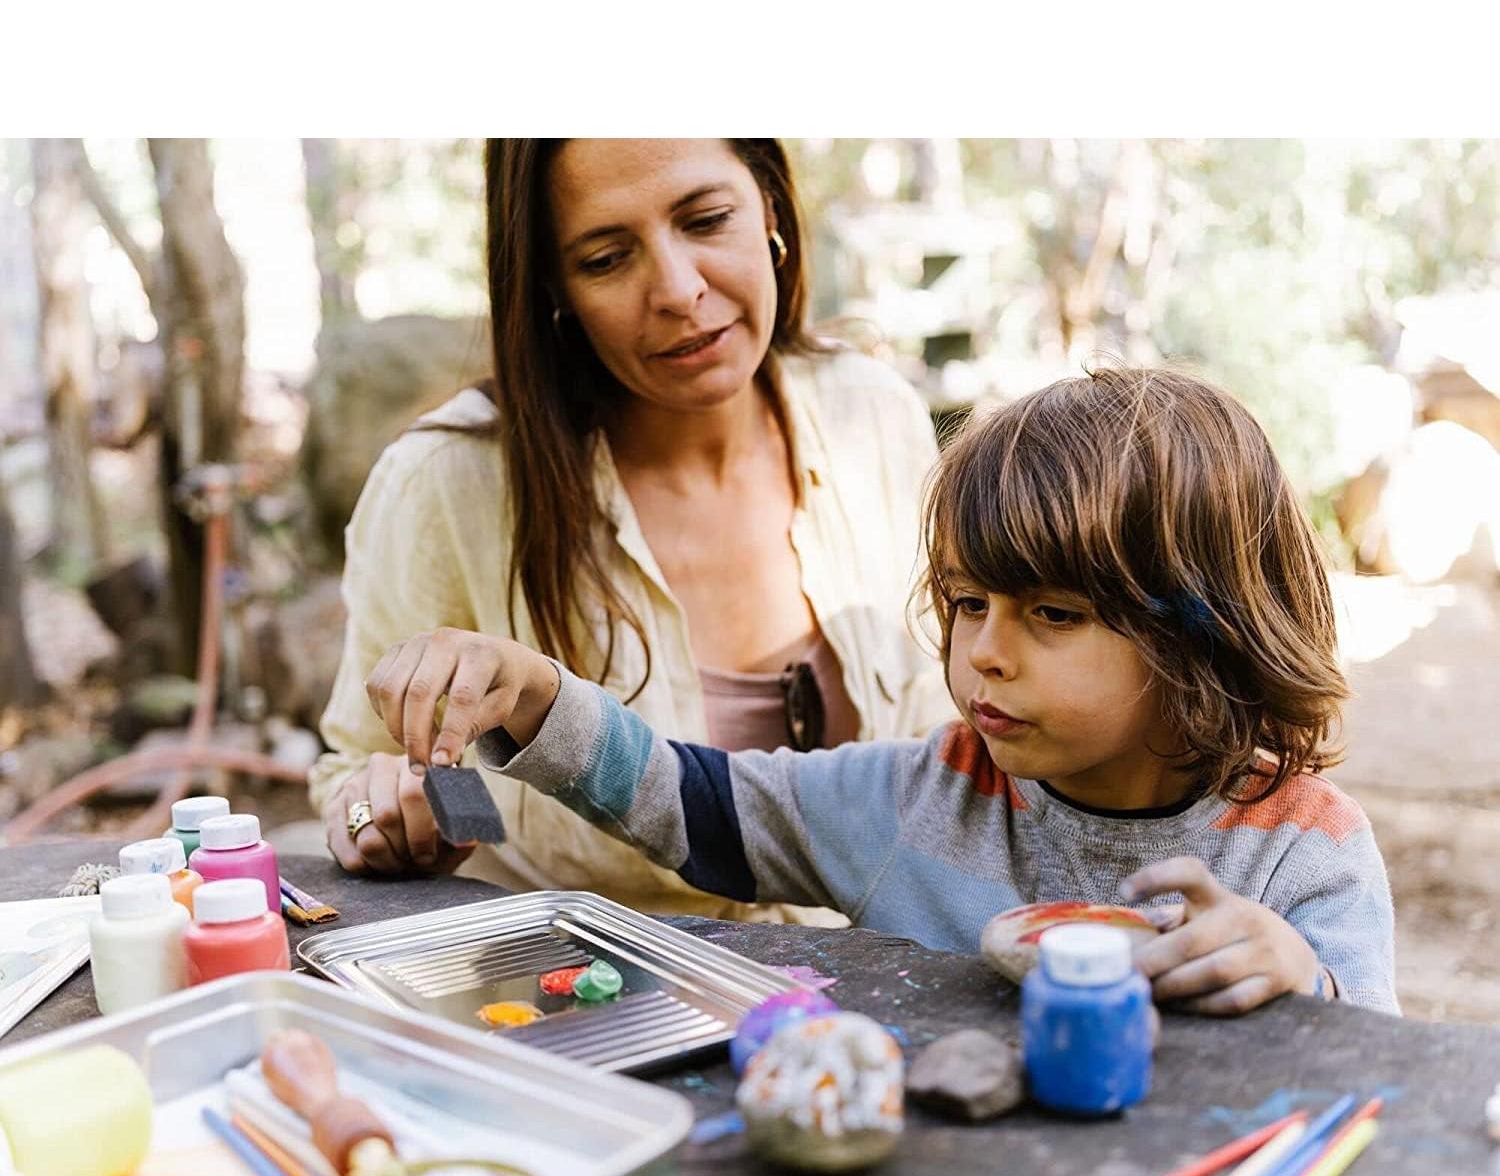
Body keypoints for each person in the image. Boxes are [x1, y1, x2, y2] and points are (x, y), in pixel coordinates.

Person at [364, 365, 1400, 1016]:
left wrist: (1300, 981)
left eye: (1052, 615)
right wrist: (534, 695)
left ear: (1202, 632)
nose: (983, 654)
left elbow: (1386, 1089)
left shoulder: (1303, 850)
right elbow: (699, 806)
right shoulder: (926, 797)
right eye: (964, 603)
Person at [309, 139, 953, 919]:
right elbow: (363, 767)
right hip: (586, 1009)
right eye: (608, 259)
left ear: (771, 207)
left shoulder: (873, 416)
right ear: (555, 288)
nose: (679, 291)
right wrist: (388, 814)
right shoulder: (447, 483)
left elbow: (951, 740)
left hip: (866, 999)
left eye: (708, 220)